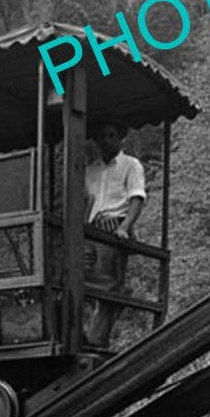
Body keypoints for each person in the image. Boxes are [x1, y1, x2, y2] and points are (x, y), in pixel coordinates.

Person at [83, 121, 146, 347]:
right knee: (77, 275)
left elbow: (136, 199)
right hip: (92, 228)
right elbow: (89, 202)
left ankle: (96, 341)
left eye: (111, 135)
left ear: (120, 138)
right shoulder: (92, 169)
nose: (106, 140)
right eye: (102, 136)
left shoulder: (130, 165)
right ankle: (119, 290)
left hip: (114, 226)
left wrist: (124, 228)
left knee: (105, 291)